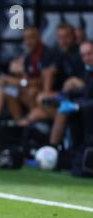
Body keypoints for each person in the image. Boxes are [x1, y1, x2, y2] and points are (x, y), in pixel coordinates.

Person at [0, 27, 53, 125]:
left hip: (43, 95)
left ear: (39, 38)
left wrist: (17, 82)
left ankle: (29, 123)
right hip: (27, 92)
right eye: (25, 39)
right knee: (4, 90)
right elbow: (25, 79)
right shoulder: (28, 58)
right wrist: (12, 80)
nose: (28, 42)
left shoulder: (48, 54)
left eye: (31, 38)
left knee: (32, 91)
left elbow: (42, 81)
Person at [21, 23, 85, 125]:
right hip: (64, 95)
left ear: (74, 37)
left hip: (78, 100)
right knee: (38, 97)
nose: (63, 41)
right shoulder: (60, 54)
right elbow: (49, 71)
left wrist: (74, 82)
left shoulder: (80, 54)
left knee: (42, 102)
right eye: (60, 37)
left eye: (66, 37)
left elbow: (84, 83)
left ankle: (56, 125)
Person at [49, 41, 93, 176]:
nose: (87, 58)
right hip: (87, 112)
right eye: (83, 55)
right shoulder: (89, 72)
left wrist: (77, 106)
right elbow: (86, 93)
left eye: (90, 54)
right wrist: (63, 96)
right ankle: (54, 151)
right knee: (63, 108)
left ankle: (53, 151)